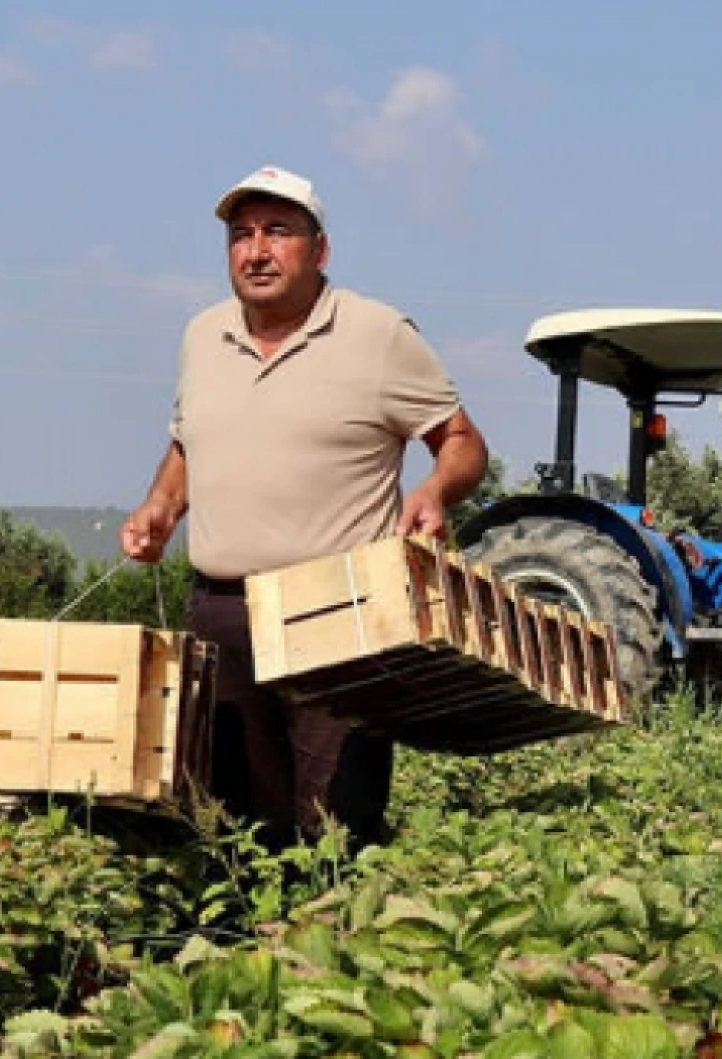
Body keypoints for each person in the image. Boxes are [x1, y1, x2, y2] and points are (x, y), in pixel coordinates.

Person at [120, 164, 489, 849]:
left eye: (278, 232)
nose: (256, 250)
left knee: (333, 826)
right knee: (230, 823)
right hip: (222, 612)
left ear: (319, 250)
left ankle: (329, 947)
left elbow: (462, 441)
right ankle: (242, 951)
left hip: (339, 613)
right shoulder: (202, 336)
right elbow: (188, 449)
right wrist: (160, 508)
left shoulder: (377, 334)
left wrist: (436, 489)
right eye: (242, 234)